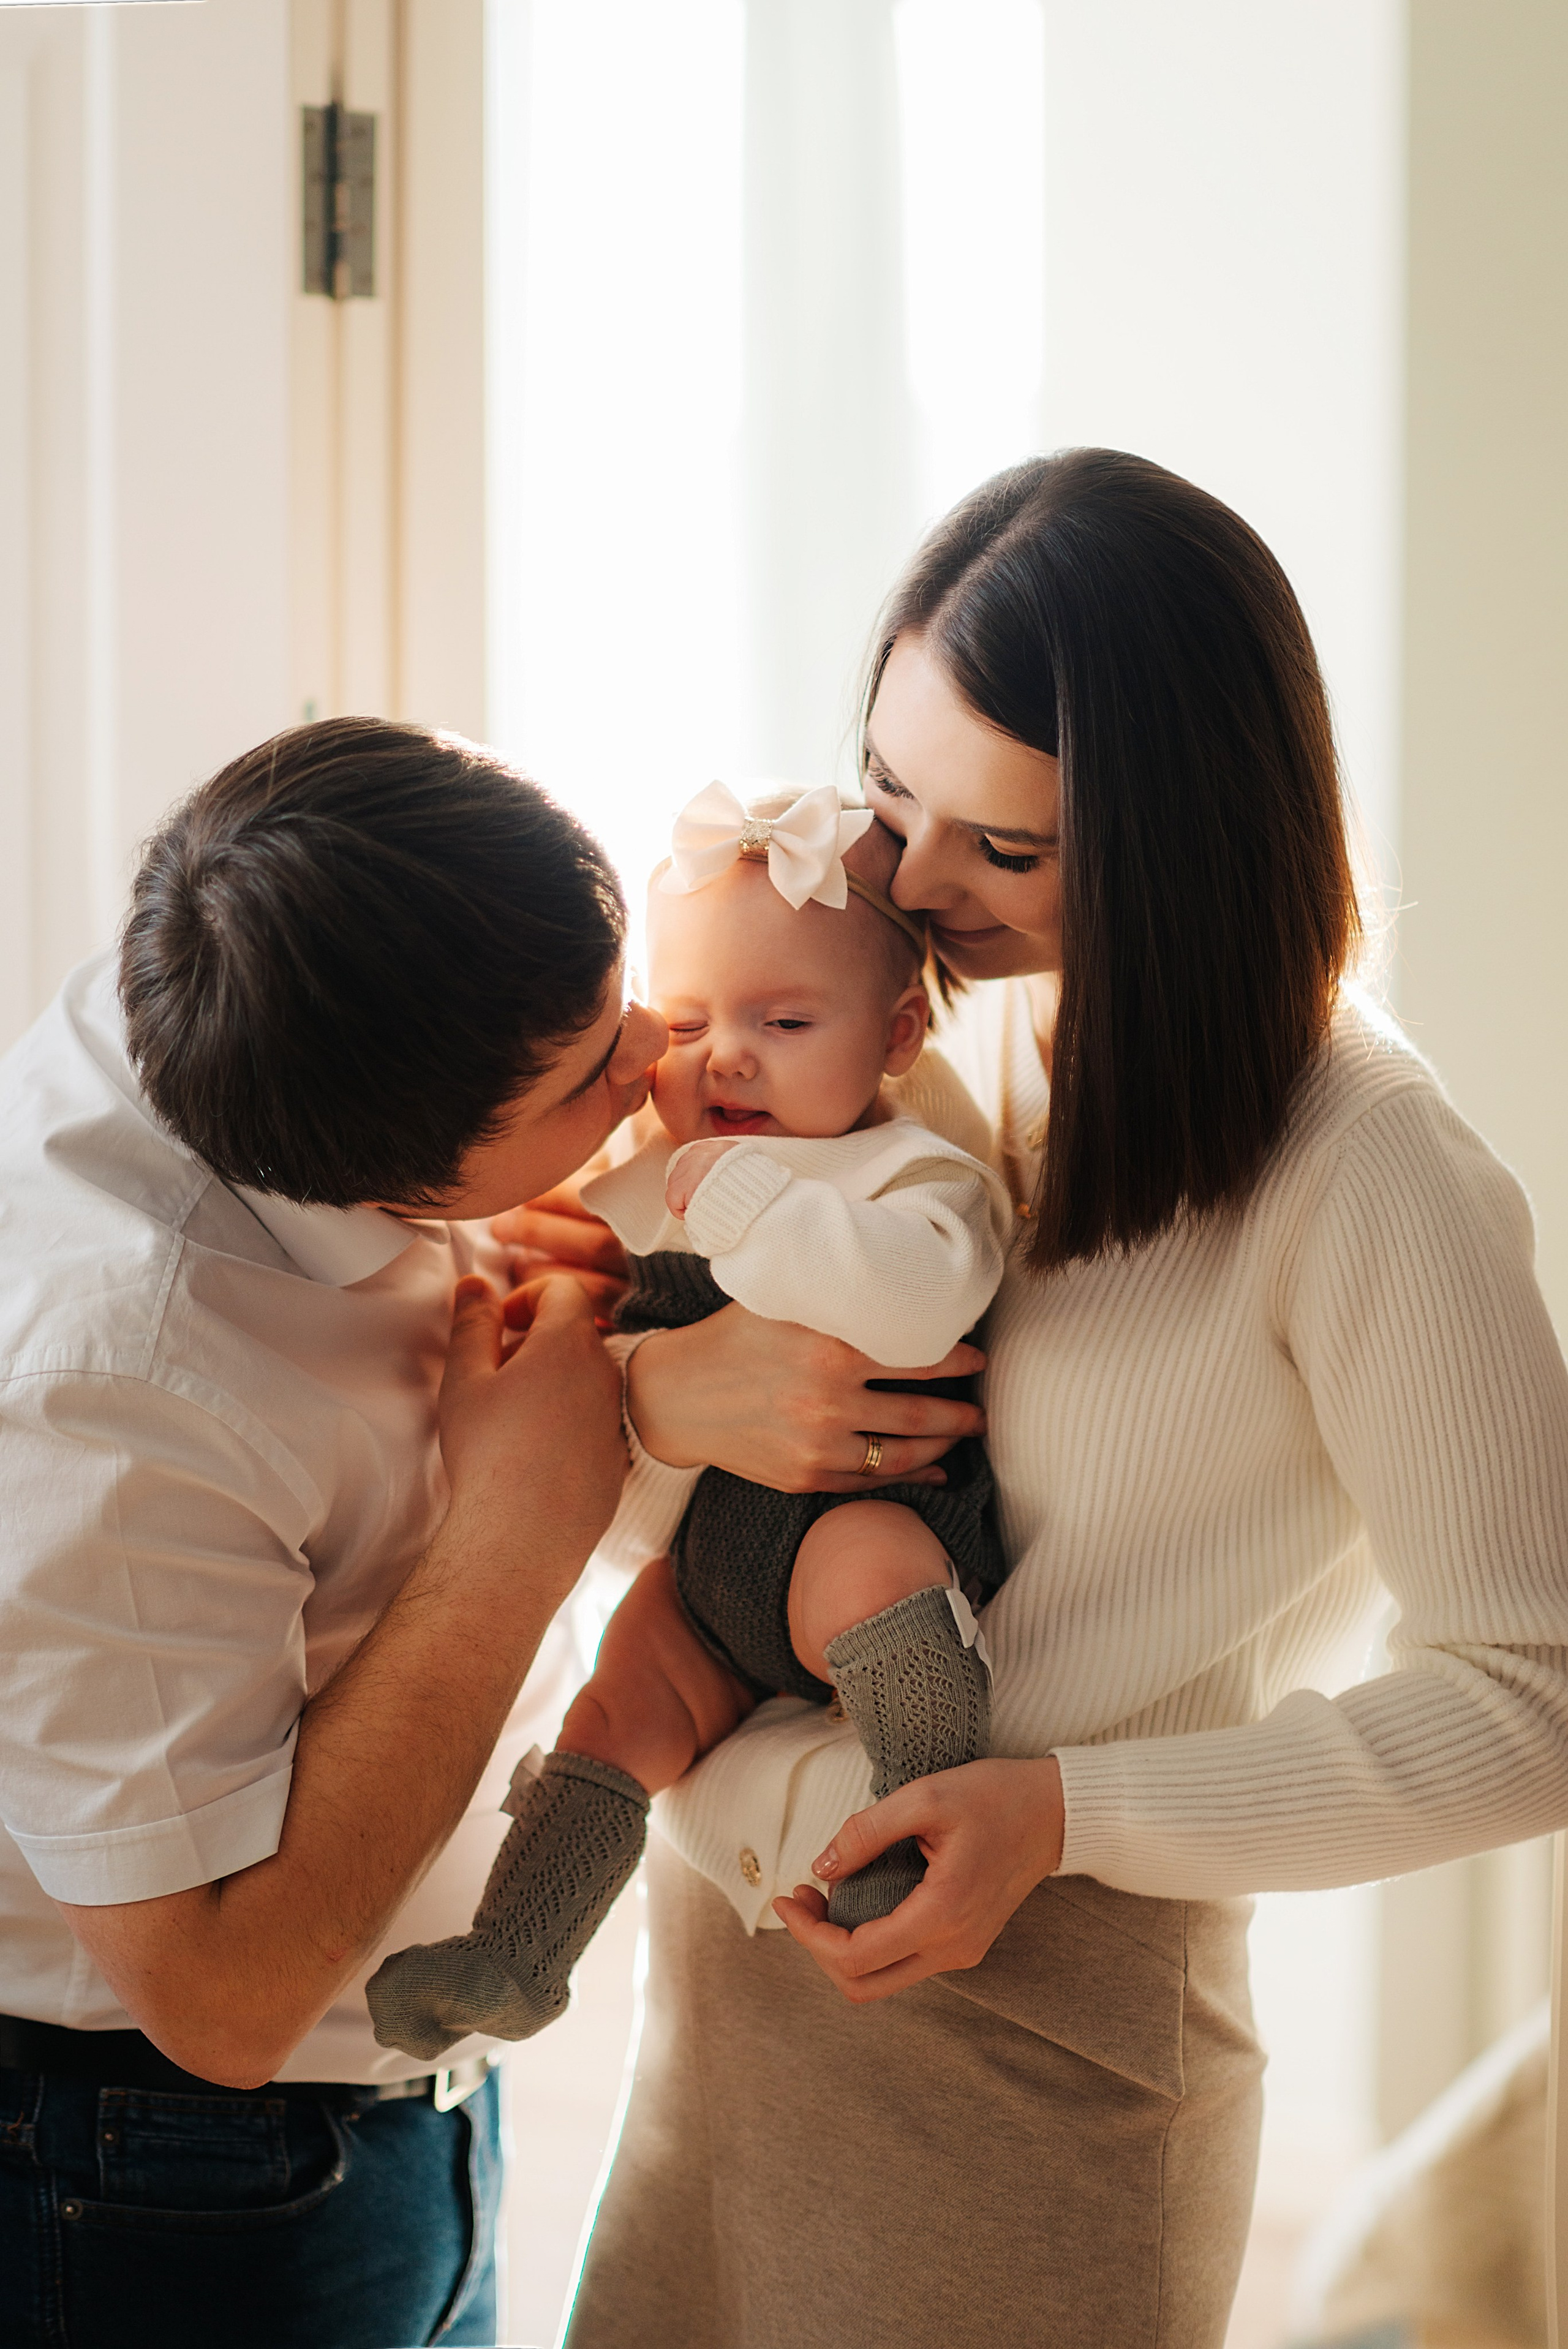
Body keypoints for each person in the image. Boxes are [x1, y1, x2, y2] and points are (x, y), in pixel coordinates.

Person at [535, 451, 1568, 2349]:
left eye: (1005, 850)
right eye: (897, 791)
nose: (912, 889)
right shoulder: (895, 1019)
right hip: (731, 1988)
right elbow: (664, 1481)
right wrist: (670, 1399)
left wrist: (1066, 1811)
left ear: (1182, 846)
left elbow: (1540, 1692)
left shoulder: (1372, 1170)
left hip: (1029, 2041)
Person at [0, 718, 673, 2348]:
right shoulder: (109, 1394)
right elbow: (218, 2003)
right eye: (588, 1076)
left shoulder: (258, 962)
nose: (651, 1051)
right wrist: (520, 1527)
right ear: (386, 1167)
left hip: (409, 2092)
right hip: (184, 2176)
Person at [366, 783, 1013, 2062]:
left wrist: (743, 1204)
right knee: (616, 1697)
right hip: (710, 1571)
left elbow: (921, 1297)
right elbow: (545, 1312)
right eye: (691, 1019)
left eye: (782, 1021)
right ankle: (516, 1950)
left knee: (876, 1576)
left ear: (893, 1037)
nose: (725, 1056)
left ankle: (915, 1827)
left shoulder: (917, 1175)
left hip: (866, 1525)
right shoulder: (644, 1180)